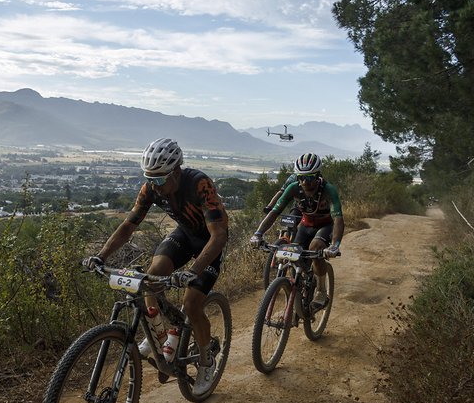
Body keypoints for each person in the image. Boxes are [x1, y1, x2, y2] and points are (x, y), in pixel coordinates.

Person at [82, 138, 229, 382]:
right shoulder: (150, 188)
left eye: (159, 179)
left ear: (177, 171)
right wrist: (101, 256)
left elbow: (219, 235)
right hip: (185, 234)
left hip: (209, 242)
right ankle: (161, 335)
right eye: (149, 178)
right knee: (151, 277)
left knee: (192, 304)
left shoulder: (199, 184)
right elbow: (129, 225)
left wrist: (193, 270)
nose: (154, 185)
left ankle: (206, 360)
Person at [249, 152, 343, 309]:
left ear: (318, 176)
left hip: (325, 225)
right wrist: (258, 233)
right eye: (301, 177)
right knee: (293, 254)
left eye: (310, 177)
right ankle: (299, 286)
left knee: (315, 248)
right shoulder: (293, 188)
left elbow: (338, 219)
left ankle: (321, 290)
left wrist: (335, 245)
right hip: (306, 225)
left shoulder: (328, 190)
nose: (305, 182)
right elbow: (275, 212)